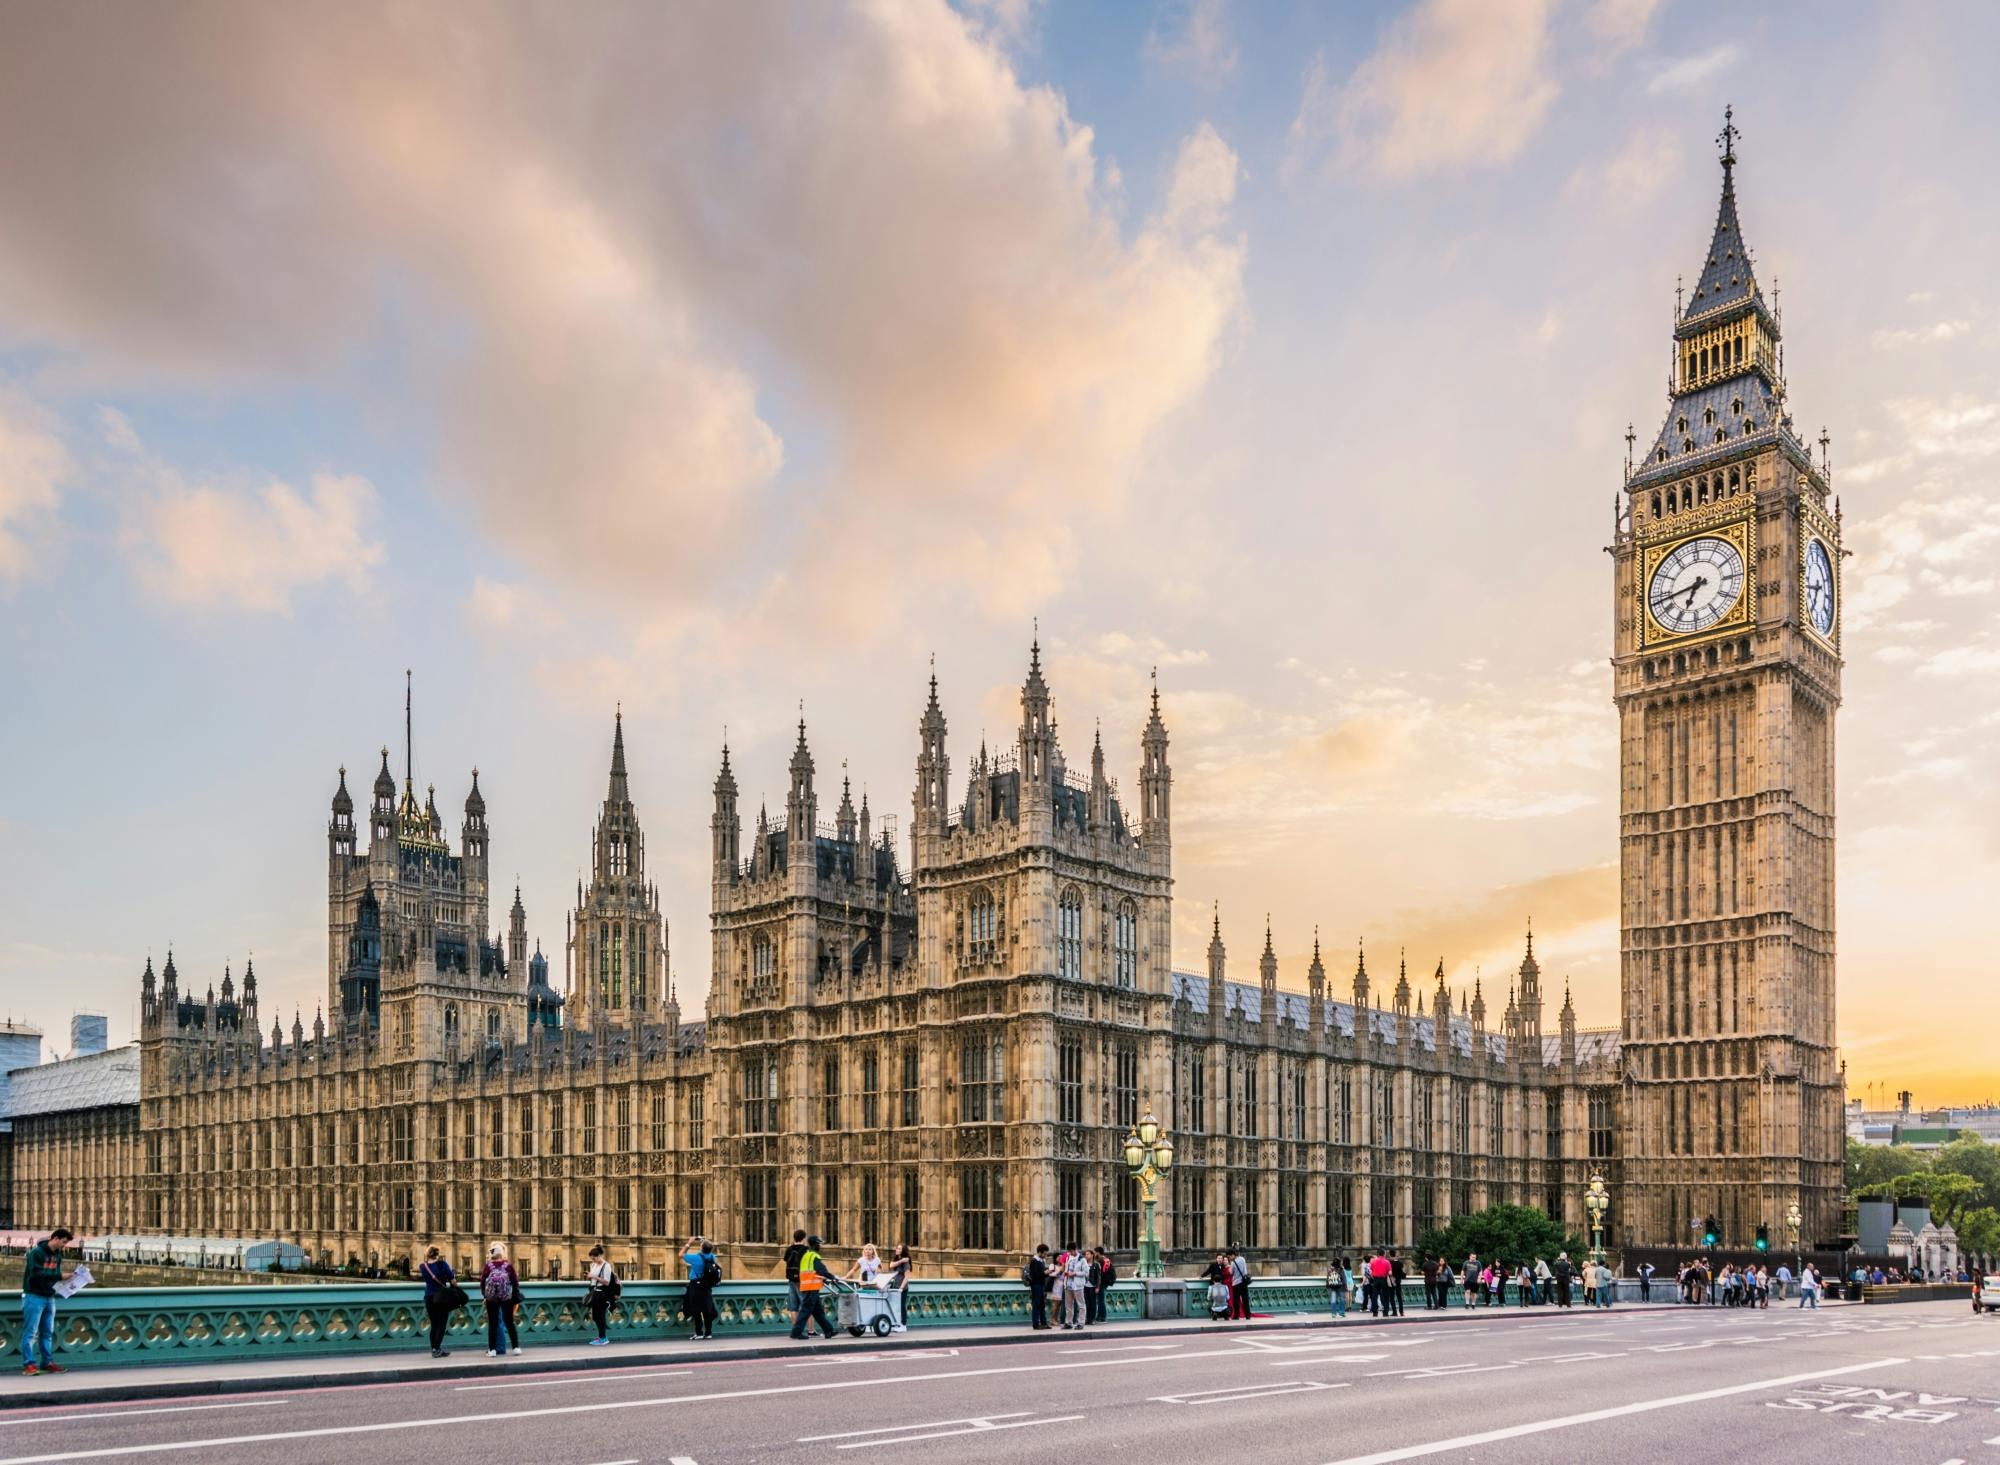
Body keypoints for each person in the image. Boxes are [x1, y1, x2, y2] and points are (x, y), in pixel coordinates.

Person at [20, 1227, 73, 1376]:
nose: (64, 1246)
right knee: (30, 1333)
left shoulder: (57, 1256)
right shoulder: (36, 1253)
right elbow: (36, 1274)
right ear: (54, 1238)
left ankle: (47, 1362)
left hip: (50, 1297)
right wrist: (60, 1276)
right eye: (63, 1242)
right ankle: (29, 1365)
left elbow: (53, 1276)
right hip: (33, 1296)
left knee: (47, 1332)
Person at [789, 1234, 837, 1341]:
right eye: (819, 1244)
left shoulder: (806, 1255)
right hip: (811, 1287)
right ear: (815, 1245)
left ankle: (829, 1330)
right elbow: (821, 1270)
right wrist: (832, 1277)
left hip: (807, 1285)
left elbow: (812, 1271)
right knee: (805, 1311)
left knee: (818, 1311)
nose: (820, 1246)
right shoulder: (814, 1256)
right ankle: (796, 1332)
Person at [480, 1242, 521, 1357]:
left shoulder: (488, 1266)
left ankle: (492, 1350)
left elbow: (482, 1282)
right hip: (506, 1298)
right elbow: (515, 1282)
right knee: (509, 1323)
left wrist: (485, 1295)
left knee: (493, 1324)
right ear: (502, 1254)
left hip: (491, 1299)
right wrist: (515, 1296)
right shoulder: (508, 1266)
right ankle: (516, 1348)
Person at [418, 1246, 460, 1357]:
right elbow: (453, 1281)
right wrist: (455, 1286)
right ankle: (436, 1349)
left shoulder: (423, 1266)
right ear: (437, 1254)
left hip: (429, 1298)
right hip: (441, 1298)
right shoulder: (442, 1264)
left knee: (434, 1325)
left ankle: (434, 1349)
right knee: (441, 1325)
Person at [585, 1245, 619, 1345]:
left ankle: (603, 1338)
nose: (593, 1260)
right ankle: (601, 1336)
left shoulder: (606, 1266)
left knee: (600, 1316)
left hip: (602, 1294)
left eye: (594, 1258)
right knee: (595, 1316)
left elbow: (607, 1282)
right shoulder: (594, 1265)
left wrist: (594, 1276)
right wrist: (589, 1276)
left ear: (599, 1255)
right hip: (594, 1292)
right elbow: (594, 1278)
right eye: (592, 1258)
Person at [1059, 1242, 1090, 1331]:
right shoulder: (1068, 1257)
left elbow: (1086, 1272)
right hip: (1068, 1285)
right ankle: (1068, 1323)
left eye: (1071, 1251)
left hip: (1078, 1285)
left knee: (1081, 1305)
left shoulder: (1082, 1259)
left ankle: (1081, 1323)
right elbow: (1067, 1269)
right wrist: (1066, 1272)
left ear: (1075, 1249)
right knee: (1068, 1306)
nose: (1070, 1253)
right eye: (1069, 1251)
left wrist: (1075, 1273)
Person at [883, 1243, 912, 1332]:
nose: (897, 1250)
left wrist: (901, 1288)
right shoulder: (898, 1260)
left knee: (901, 1306)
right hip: (895, 1286)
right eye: (897, 1248)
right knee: (894, 1306)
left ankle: (903, 1325)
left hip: (901, 1288)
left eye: (899, 1249)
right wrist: (901, 1261)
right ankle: (896, 1324)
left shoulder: (906, 1263)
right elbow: (891, 1265)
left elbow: (907, 1276)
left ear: (903, 1251)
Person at [1025, 1244, 1053, 1330]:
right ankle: (1036, 1324)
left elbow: (1041, 1274)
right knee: (1036, 1304)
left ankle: (1044, 1323)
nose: (1045, 1255)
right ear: (1040, 1252)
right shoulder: (1034, 1261)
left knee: (1042, 1305)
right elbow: (1034, 1275)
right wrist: (1044, 1273)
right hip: (1036, 1285)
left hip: (1041, 1285)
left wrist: (1046, 1273)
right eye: (1044, 1253)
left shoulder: (1041, 1261)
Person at [783, 1229, 809, 1317]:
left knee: (793, 1308)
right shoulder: (806, 1250)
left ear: (794, 1238)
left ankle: (796, 1329)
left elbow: (786, 1260)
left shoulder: (789, 1249)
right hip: (803, 1280)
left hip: (791, 1279)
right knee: (806, 1307)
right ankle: (810, 1330)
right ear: (804, 1238)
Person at [1093, 1248, 1116, 1323]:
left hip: (1101, 1282)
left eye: (1095, 1252)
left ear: (1098, 1253)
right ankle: (1100, 1316)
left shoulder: (1100, 1261)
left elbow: (1100, 1274)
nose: (1094, 1254)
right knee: (1100, 1300)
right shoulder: (1106, 1260)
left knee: (1100, 1300)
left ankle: (1102, 1317)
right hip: (1105, 1282)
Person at [1231, 1249, 1253, 1321]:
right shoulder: (1243, 1259)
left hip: (1237, 1283)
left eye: (1230, 1256)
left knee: (1236, 1301)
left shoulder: (1233, 1263)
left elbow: (1232, 1273)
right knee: (1245, 1300)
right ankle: (1248, 1315)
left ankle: (1236, 1316)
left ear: (1233, 1255)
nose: (1229, 1258)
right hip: (1244, 1282)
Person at [1387, 1252, 1406, 1316]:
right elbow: (1403, 1272)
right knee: (1399, 1297)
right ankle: (1401, 1312)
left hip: (1391, 1281)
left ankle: (1394, 1312)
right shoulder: (1400, 1263)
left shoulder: (1389, 1263)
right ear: (1395, 1255)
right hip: (1398, 1281)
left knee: (1392, 1297)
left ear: (1390, 1255)